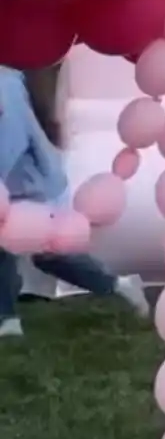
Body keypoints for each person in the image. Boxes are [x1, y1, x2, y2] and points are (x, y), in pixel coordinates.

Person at [0, 63, 149, 338]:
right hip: (22, 186)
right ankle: (119, 285)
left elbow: (11, 144)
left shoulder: (5, 85)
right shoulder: (9, 79)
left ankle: (7, 320)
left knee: (39, 255)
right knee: (34, 255)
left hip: (34, 187)